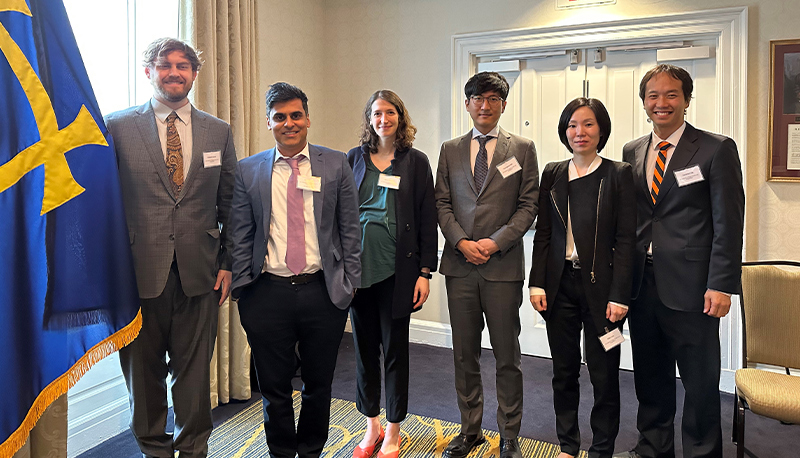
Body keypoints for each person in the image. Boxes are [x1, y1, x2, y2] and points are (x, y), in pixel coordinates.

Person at [106, 37, 236, 458]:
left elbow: (230, 202)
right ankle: (154, 450)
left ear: (195, 74)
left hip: (201, 272)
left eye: (184, 65)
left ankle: (194, 449)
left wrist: (229, 262)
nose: (175, 72)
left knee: (195, 374)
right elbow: (101, 204)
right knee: (142, 376)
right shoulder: (117, 128)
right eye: (166, 65)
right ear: (149, 72)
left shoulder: (219, 130)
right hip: (137, 273)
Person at [616, 64, 744, 458]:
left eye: (671, 94)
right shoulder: (633, 151)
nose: (661, 103)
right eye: (653, 96)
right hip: (643, 285)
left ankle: (703, 452)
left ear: (687, 100)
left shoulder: (715, 148)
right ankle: (653, 448)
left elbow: (728, 221)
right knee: (650, 377)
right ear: (644, 103)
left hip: (694, 287)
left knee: (700, 381)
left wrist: (722, 284)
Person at [228, 82, 361, 458]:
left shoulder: (334, 163)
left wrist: (351, 281)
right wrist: (243, 288)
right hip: (266, 292)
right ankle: (282, 453)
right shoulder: (248, 170)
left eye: (296, 115)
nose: (289, 123)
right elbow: (239, 232)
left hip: (324, 290)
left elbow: (350, 227)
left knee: (319, 383)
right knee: (274, 386)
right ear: (269, 122)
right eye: (280, 117)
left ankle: (311, 451)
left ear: (307, 118)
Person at [435, 71, 539, 458]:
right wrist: (462, 241)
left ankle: (509, 433)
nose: (484, 105)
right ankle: (470, 429)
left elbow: (529, 205)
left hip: (502, 267)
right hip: (460, 266)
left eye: (493, 98)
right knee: (464, 353)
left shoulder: (523, 149)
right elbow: (441, 203)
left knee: (507, 354)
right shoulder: (450, 149)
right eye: (477, 98)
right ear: (467, 104)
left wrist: (494, 243)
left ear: (503, 105)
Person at [529, 98, 635, 458]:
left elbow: (626, 240)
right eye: (573, 125)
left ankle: (602, 448)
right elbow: (544, 233)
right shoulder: (553, 173)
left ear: (601, 129)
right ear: (564, 131)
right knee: (563, 372)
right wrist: (536, 282)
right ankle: (568, 445)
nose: (580, 132)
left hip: (606, 295)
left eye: (588, 124)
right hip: (560, 289)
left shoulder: (619, 174)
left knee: (604, 375)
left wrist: (620, 294)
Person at [345, 90, 438, 458]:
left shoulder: (416, 162)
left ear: (401, 116)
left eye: (390, 112)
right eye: (376, 113)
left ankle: (395, 430)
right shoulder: (353, 158)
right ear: (369, 119)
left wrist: (425, 271)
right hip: (357, 271)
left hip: (398, 272)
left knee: (395, 352)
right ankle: (371, 426)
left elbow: (428, 218)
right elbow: (337, 213)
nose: (383, 119)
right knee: (363, 352)